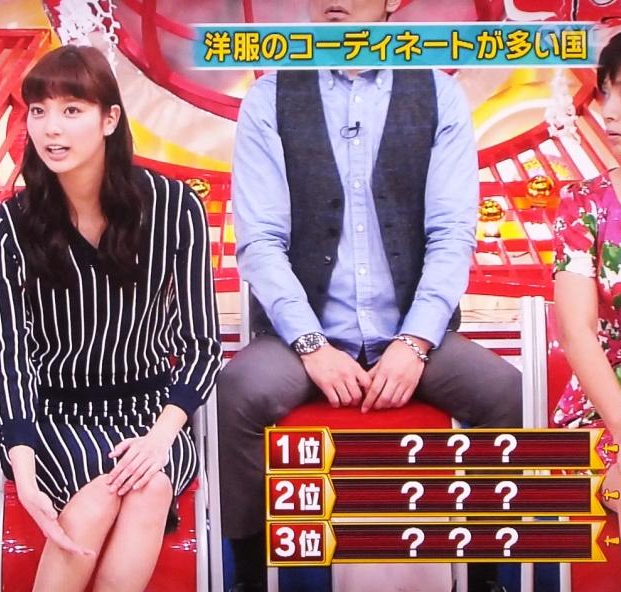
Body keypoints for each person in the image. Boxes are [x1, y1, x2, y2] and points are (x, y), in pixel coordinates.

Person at [218, 1, 523, 590]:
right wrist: (311, 345)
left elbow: (451, 235)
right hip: (304, 336)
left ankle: (485, 577)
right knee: (241, 391)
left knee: (501, 391)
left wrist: (415, 341)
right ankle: (251, 577)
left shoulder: (438, 93)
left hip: (410, 333)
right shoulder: (270, 96)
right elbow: (260, 242)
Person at [0, 45, 222, 591]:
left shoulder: (175, 209)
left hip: (152, 415)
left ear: (110, 119)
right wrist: (23, 469)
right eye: (38, 111)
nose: (51, 128)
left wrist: (161, 437)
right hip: (53, 418)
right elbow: (9, 359)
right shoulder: (8, 229)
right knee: (116, 492)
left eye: (71, 109)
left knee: (150, 482)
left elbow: (203, 345)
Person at [553, 23, 621, 591]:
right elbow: (577, 330)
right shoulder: (584, 204)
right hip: (609, 404)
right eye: (607, 93)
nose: (609, 110)